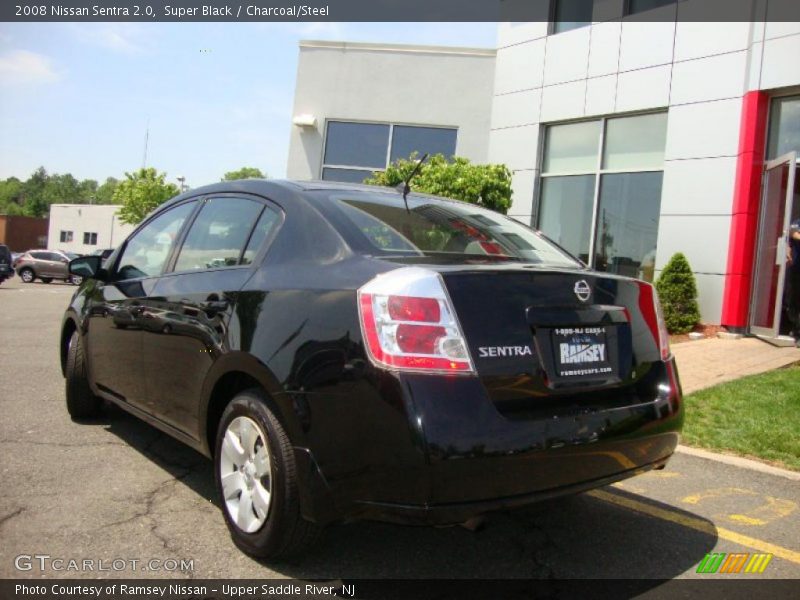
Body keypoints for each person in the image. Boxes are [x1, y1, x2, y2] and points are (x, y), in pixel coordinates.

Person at [787, 218, 800, 345]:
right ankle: (796, 330)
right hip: (797, 268)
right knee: (795, 300)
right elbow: (792, 232)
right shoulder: (798, 222)